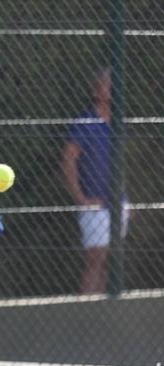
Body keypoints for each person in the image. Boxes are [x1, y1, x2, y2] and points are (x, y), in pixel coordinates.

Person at [62, 68, 129, 294]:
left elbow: (120, 163)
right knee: (95, 259)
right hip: (94, 204)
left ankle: (105, 316)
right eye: (108, 84)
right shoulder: (86, 121)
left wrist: (125, 197)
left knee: (112, 261)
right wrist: (80, 197)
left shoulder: (119, 122)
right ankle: (86, 316)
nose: (114, 89)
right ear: (97, 90)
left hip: (118, 204)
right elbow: (69, 158)